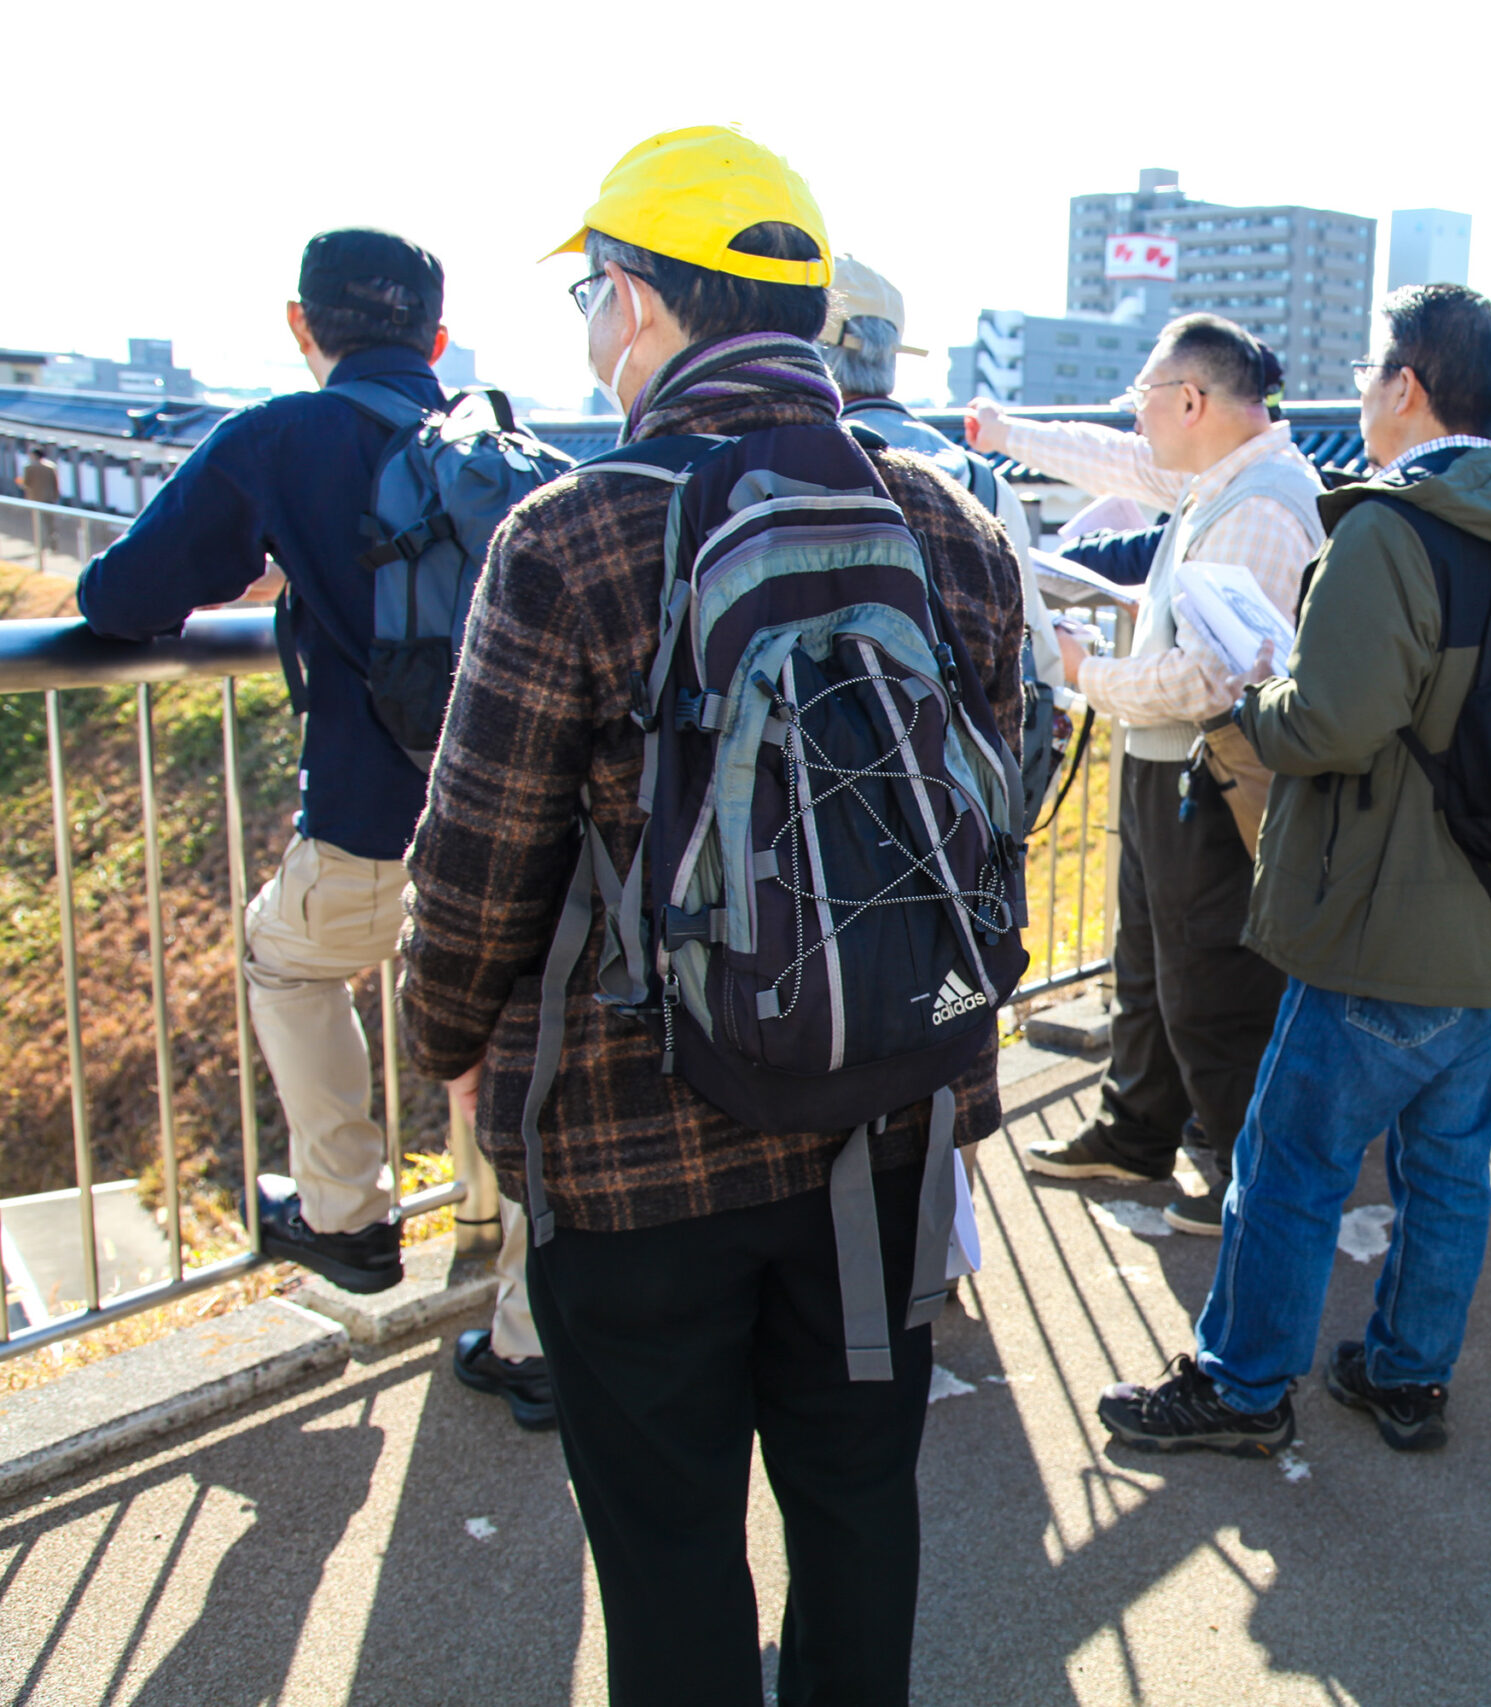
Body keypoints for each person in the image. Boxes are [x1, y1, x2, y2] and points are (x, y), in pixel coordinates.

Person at [399, 126, 1022, 1703]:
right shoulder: (948, 522)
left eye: (593, 299)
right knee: (860, 1499)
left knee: (669, 1544)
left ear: (642, 301)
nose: (594, 336)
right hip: (884, 1117)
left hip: (632, 1143)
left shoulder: (571, 531)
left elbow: (478, 860)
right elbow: (981, 823)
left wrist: (452, 1046)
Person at [1093, 283, 1491, 1457]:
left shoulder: (1393, 527)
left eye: (1377, 373)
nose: (1367, 395)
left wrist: (1253, 701)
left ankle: (1240, 1383)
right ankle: (1406, 1375)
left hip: (1388, 913)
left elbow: (1330, 724)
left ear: (1406, 386)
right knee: (1447, 1168)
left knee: (1287, 1160)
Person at [74, 228, 556, 1428]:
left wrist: (279, 573)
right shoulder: (523, 459)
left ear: (303, 326)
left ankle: (348, 1214)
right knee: (513, 1043)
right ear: (438, 343)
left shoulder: (278, 439)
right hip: (524, 829)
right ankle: (532, 1338)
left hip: (369, 819)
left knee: (285, 960)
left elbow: (119, 599)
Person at [967, 314, 1323, 1234]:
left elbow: (1214, 677)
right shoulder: (1219, 475)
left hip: (1212, 774)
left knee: (1211, 976)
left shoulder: (1264, 506)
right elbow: (1114, 462)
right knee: (1149, 961)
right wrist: (1006, 436)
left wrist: (1087, 674)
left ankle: (1232, 1157)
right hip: (1167, 764)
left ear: (1193, 401)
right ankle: (1136, 1132)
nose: (1136, 419)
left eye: (1145, 399)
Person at [815, 248, 1067, 744]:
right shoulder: (981, 482)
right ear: (891, 357)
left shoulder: (785, 466)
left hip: (819, 771)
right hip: (958, 779)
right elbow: (1037, 652)